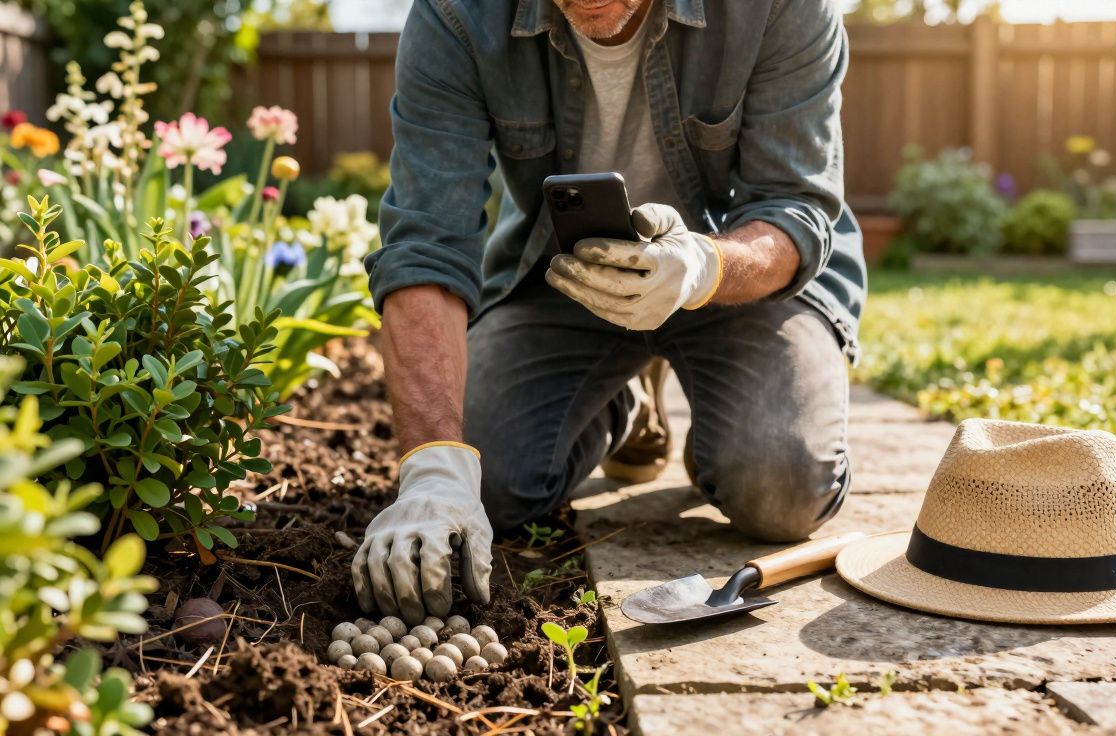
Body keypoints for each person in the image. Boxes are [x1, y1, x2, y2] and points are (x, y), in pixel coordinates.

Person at [351, 0, 866, 625]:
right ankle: (625, 401)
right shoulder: (457, 16)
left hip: (736, 276)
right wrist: (432, 466)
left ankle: (713, 419)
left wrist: (701, 268)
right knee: (481, 479)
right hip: (569, 277)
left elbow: (794, 209)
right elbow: (426, 242)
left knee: (780, 491)